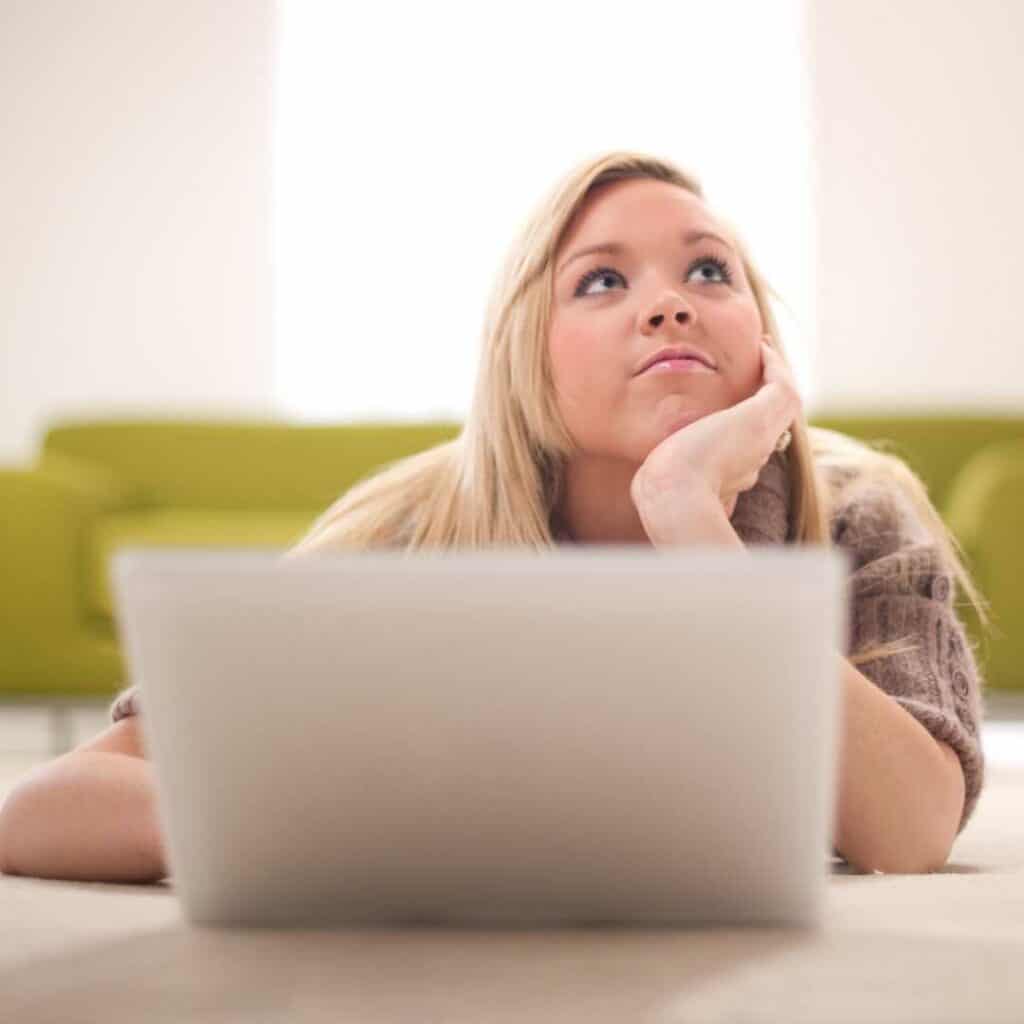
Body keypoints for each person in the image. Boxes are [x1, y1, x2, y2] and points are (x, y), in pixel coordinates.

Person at [0, 150, 988, 883]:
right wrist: (341, 828)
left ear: (763, 345)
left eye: (708, 271)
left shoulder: (859, 510)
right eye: (602, 279)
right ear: (525, 353)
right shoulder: (413, 532)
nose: (669, 305)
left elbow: (908, 834)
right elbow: (36, 811)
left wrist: (687, 512)